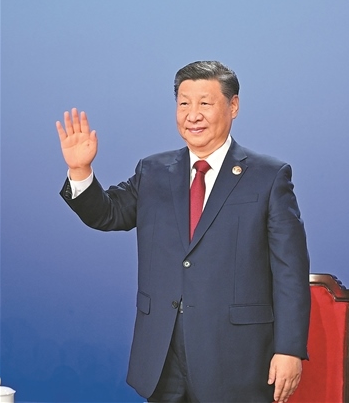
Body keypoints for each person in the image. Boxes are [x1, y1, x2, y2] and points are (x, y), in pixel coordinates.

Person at [56, 61, 310, 403]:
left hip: (236, 357)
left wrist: (289, 349)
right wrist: (80, 171)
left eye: (205, 103)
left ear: (233, 105)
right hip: (163, 356)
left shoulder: (268, 176)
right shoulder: (153, 171)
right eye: (184, 103)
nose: (193, 115)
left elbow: (290, 271)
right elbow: (108, 214)